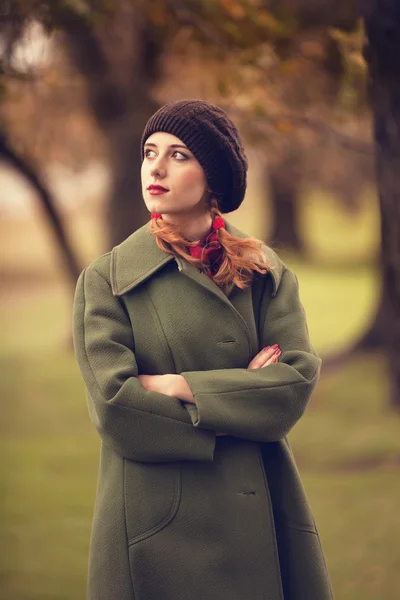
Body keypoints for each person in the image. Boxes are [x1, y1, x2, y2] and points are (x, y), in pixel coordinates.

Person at [72, 99, 334, 600]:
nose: (156, 167)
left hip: (262, 514)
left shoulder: (265, 274)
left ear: (212, 178)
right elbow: (116, 409)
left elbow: (292, 386)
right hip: (157, 527)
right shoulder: (107, 281)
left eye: (179, 155)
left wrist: (179, 386)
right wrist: (240, 398)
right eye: (150, 152)